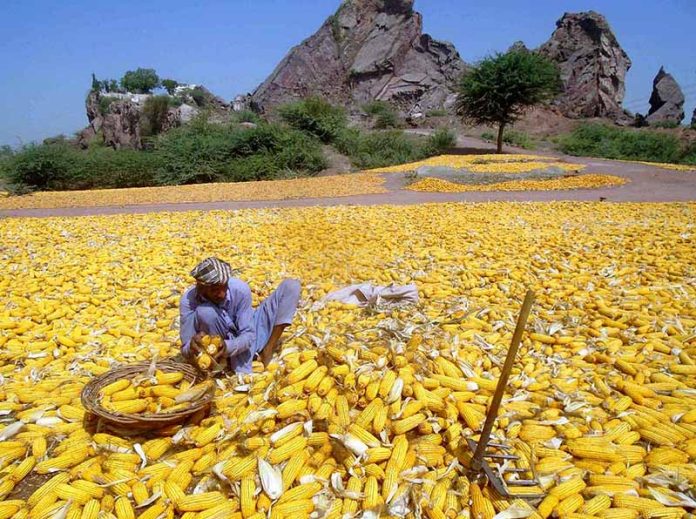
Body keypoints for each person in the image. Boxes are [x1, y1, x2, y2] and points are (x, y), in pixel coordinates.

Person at [179, 257, 300, 373]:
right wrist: (192, 347)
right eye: (215, 290)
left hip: (249, 337)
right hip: (215, 349)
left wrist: (227, 346)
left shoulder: (240, 289)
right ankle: (221, 362)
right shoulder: (189, 301)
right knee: (206, 312)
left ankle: (268, 348)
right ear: (200, 288)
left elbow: (248, 333)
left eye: (224, 287)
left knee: (291, 286)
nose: (221, 294)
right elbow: (185, 349)